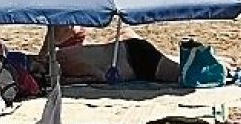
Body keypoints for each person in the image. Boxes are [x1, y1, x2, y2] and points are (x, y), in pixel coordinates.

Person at [35, 25, 180, 83]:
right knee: (181, 74)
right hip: (131, 51)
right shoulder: (65, 55)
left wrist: (67, 81)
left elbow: (100, 77)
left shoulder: (65, 62)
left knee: (183, 76)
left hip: (135, 60)